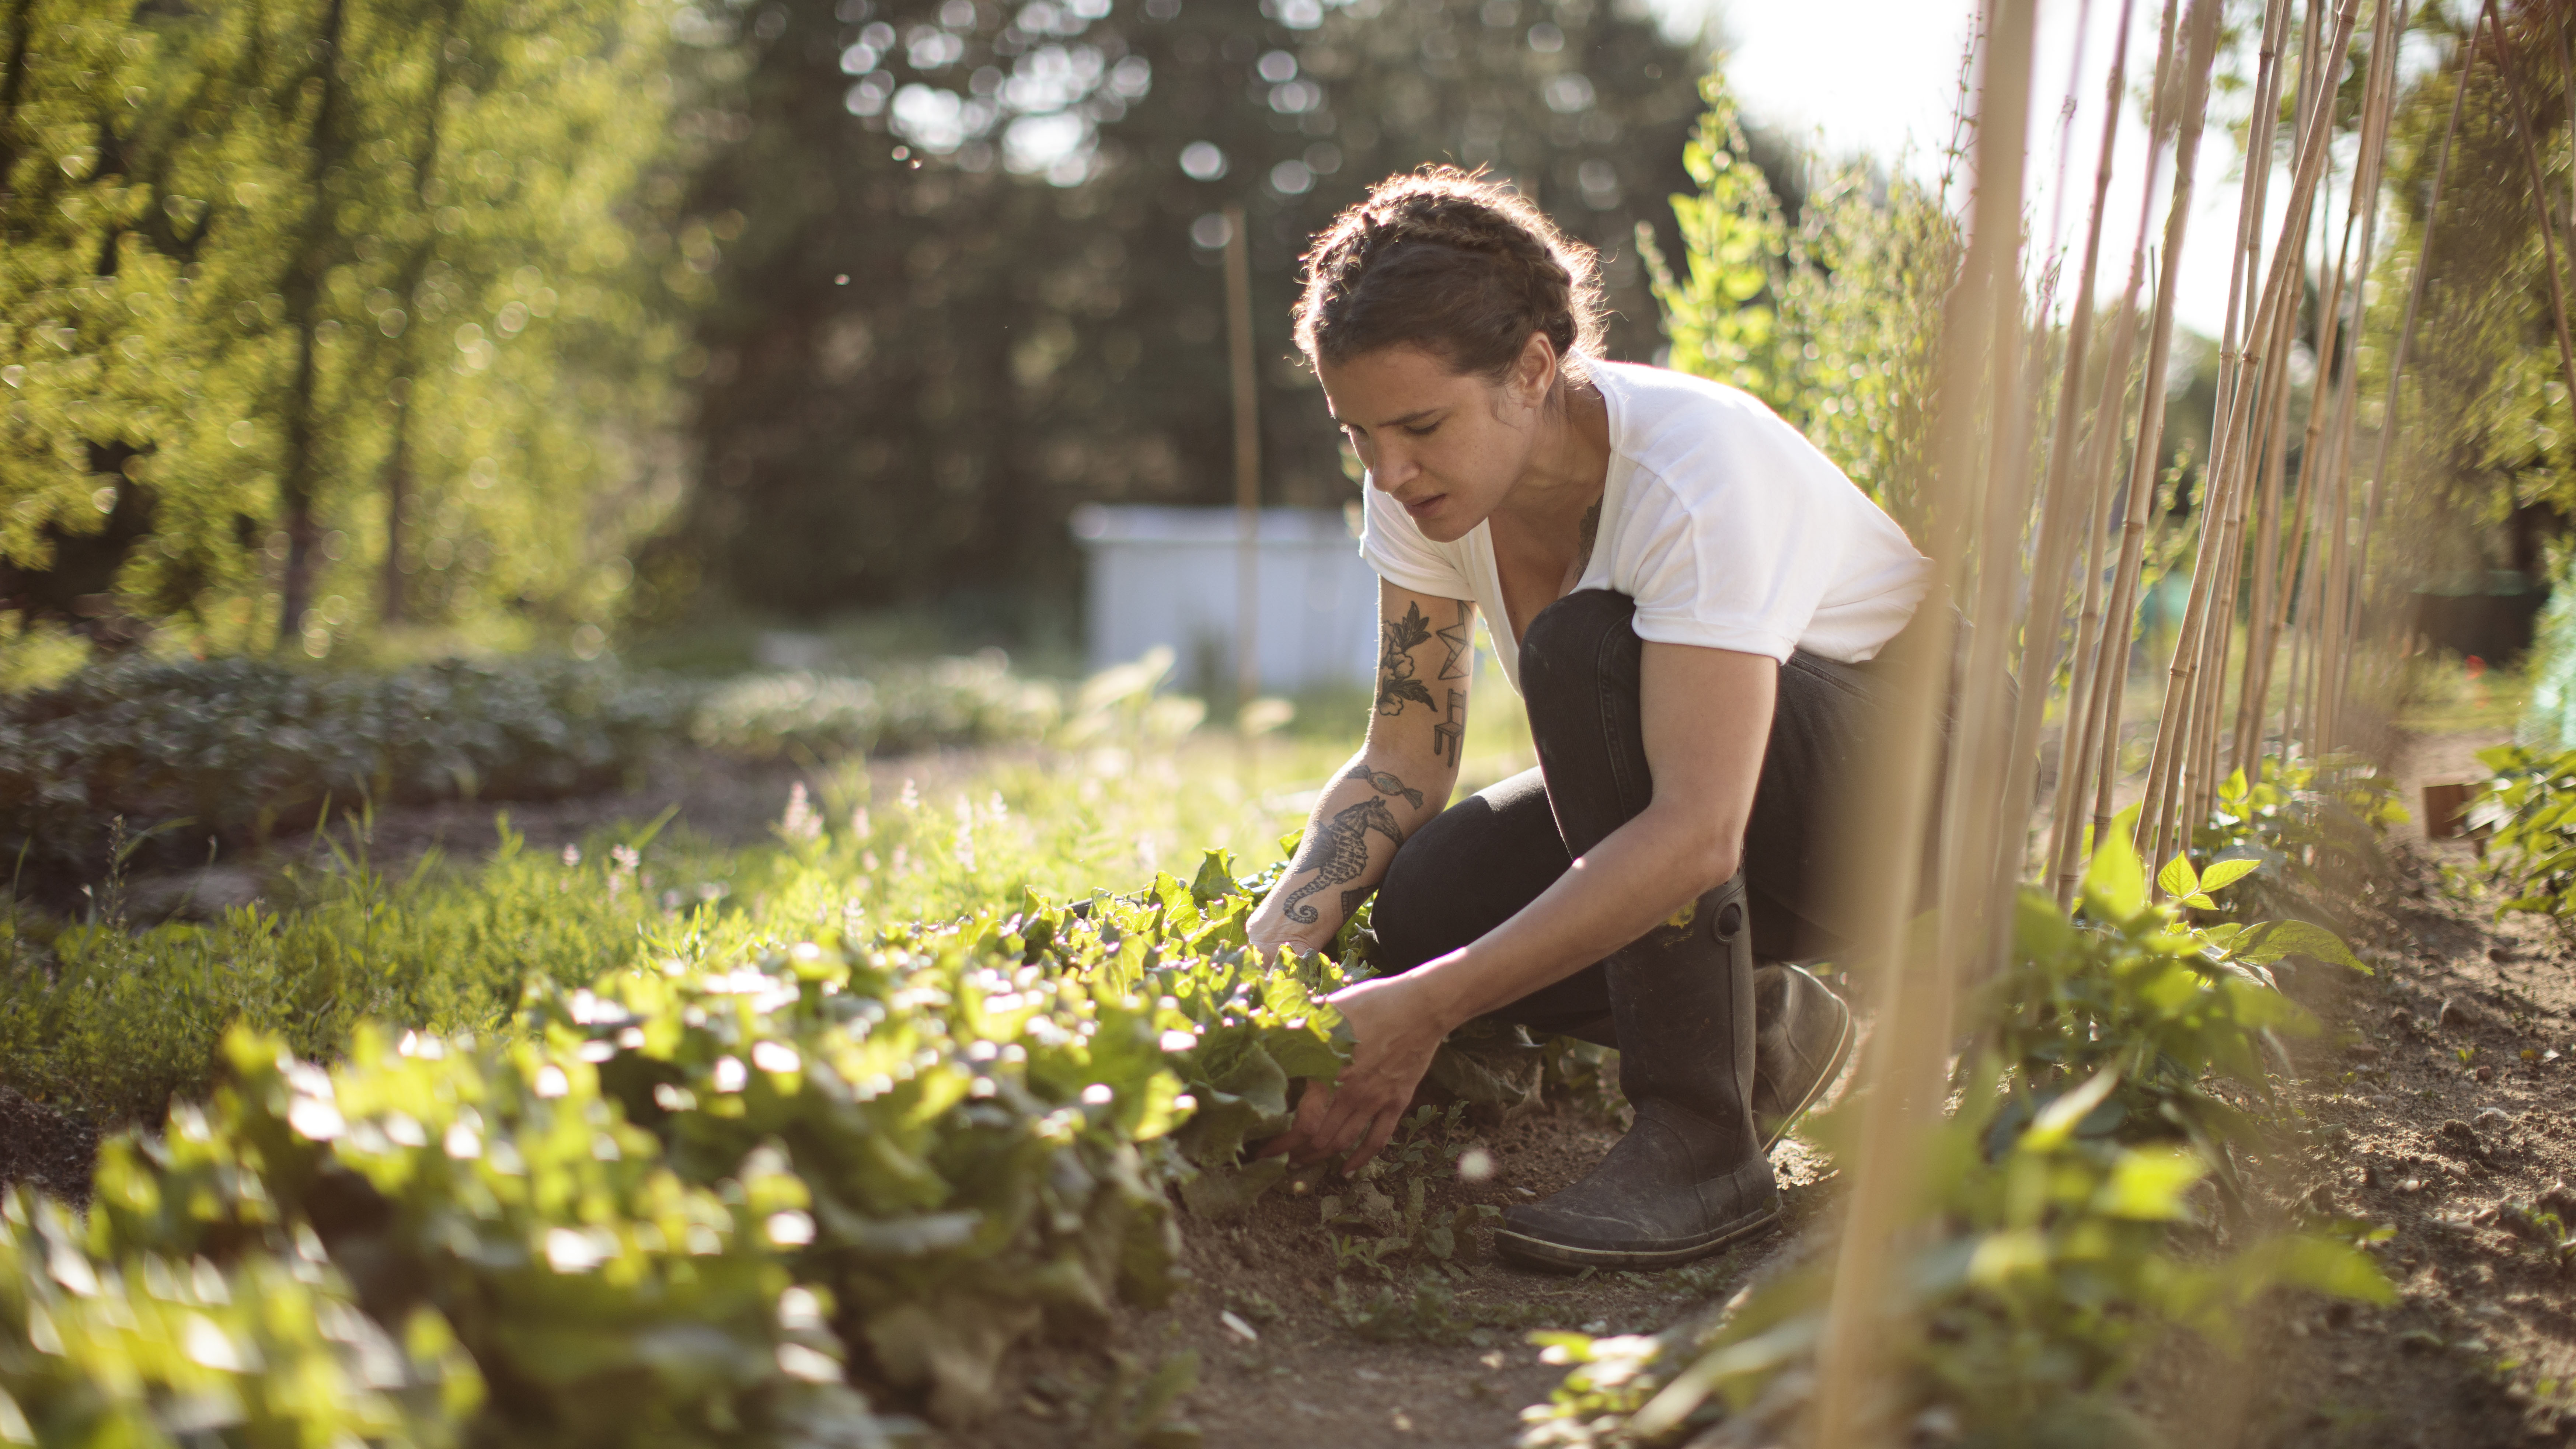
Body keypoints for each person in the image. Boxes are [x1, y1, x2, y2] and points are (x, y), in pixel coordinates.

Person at [1244, 167, 1935, 1271]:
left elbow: (1701, 831)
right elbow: (1401, 760)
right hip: (1743, 804)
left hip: (1917, 788)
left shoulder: (1693, 471)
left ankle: (1704, 1140)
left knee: (1581, 651)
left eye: (1419, 425)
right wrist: (1270, 951)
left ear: (1531, 369)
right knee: (1428, 900)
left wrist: (1427, 1011)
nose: (1389, 469)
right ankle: (1766, 1027)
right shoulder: (1420, 491)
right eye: (1359, 433)